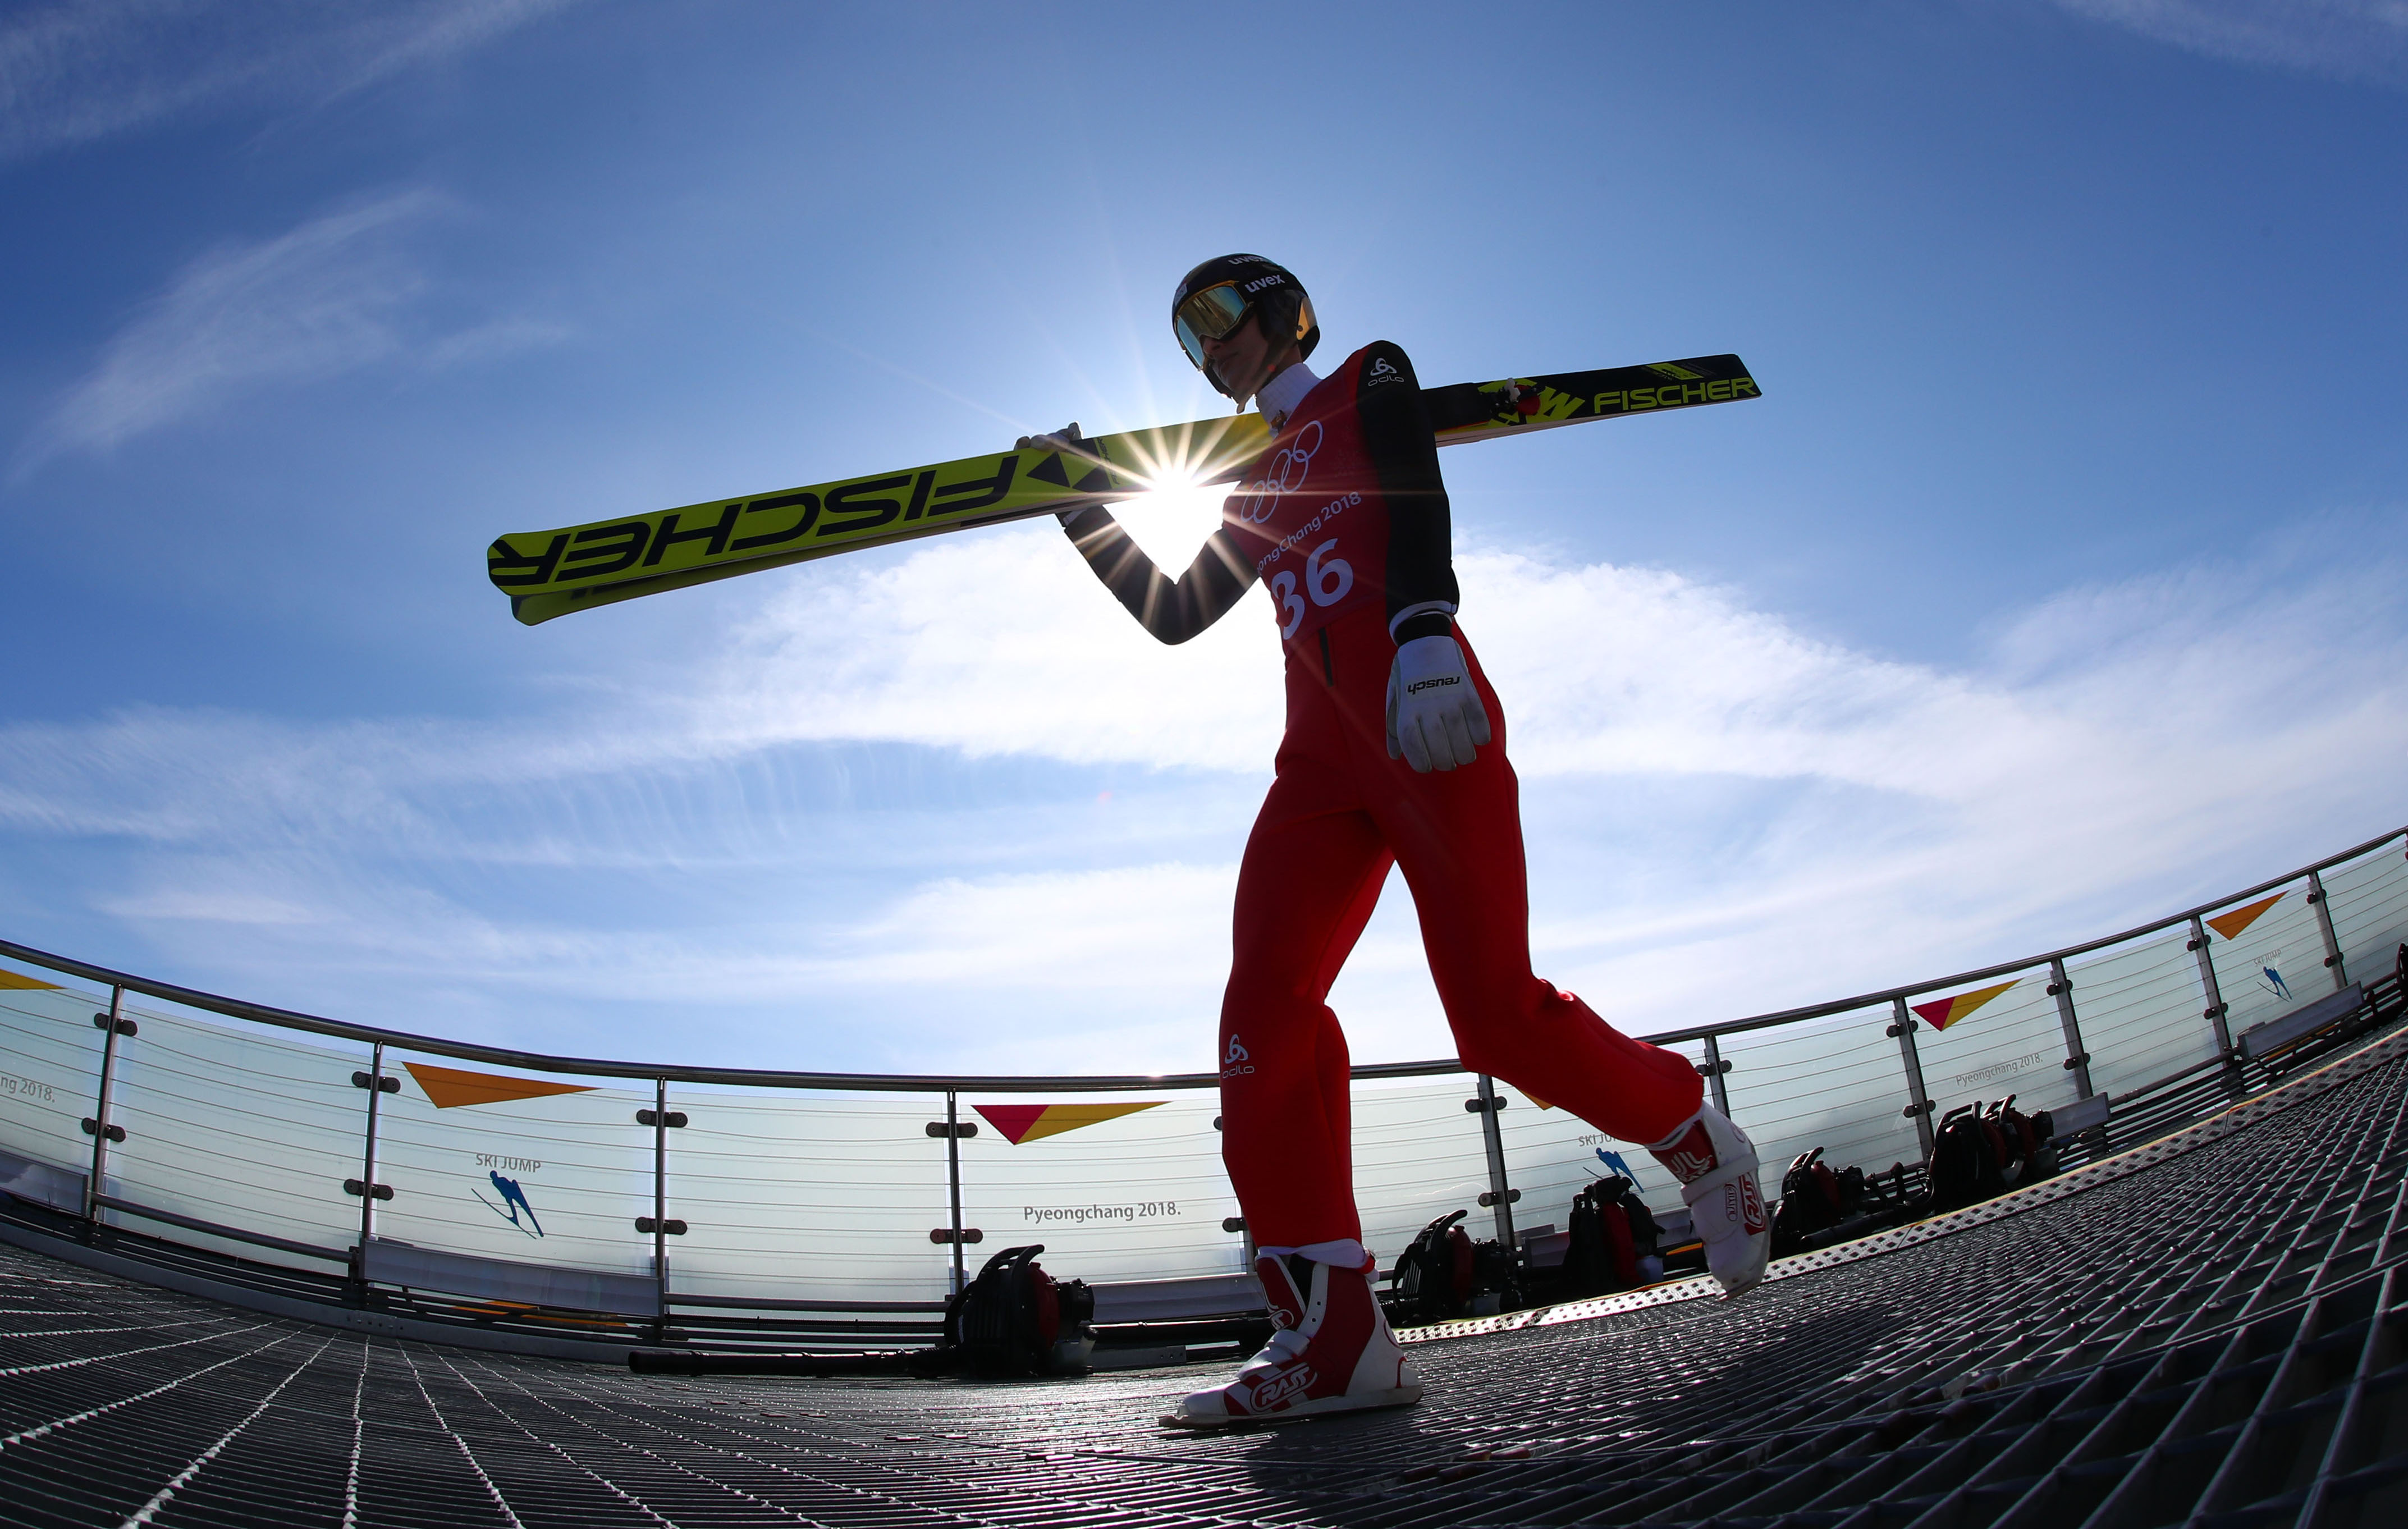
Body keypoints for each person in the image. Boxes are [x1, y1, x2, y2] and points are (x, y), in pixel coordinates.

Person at [1028, 255, 1770, 1427]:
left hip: (1419, 709)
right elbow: (1174, 613)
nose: (1206, 345)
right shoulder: (1248, 480)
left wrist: (1427, 624)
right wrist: (1080, 508)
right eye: (1185, 335)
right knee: (1258, 1015)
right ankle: (1334, 1339)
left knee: (1492, 1015)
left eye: (1218, 315)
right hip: (1318, 760)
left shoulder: (1367, 379)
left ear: (1281, 309)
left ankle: (1696, 1135)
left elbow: (1415, 484)